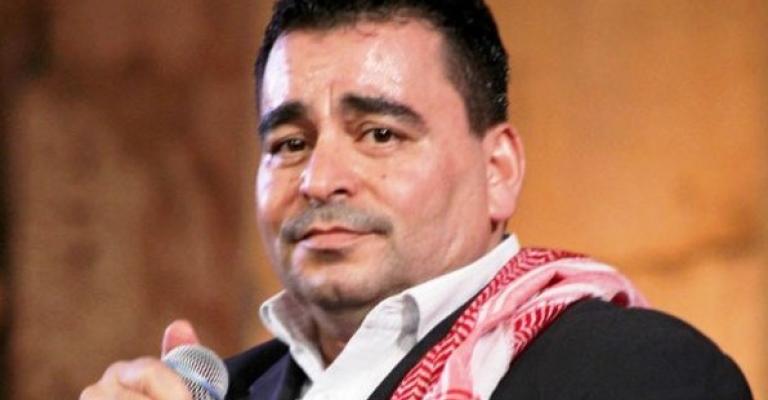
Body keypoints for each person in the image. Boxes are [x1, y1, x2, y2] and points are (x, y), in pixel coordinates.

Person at [81, 0, 753, 399]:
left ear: (498, 170)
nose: (318, 178)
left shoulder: (638, 375)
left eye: (380, 133)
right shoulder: (215, 393)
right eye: (289, 143)